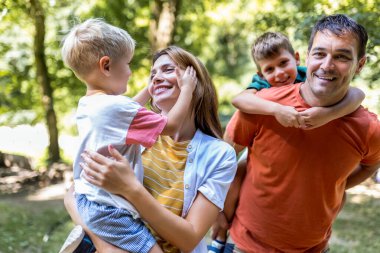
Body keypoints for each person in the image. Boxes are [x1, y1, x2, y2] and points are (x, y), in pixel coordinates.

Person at [218, 14, 380, 253]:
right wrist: (218, 212)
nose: (327, 65)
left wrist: (335, 186)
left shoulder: (368, 128)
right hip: (246, 244)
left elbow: (370, 165)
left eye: (342, 56)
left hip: (314, 248)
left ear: (360, 64)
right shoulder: (261, 105)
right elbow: (223, 159)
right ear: (307, 55)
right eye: (319, 53)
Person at [64, 46, 237, 253]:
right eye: (153, 73)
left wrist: (131, 189)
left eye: (168, 70)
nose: (156, 78)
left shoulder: (220, 155)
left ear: (195, 83)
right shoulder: (128, 134)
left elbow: (189, 238)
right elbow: (74, 193)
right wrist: (104, 244)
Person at [59, 19, 197, 253]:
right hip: (109, 207)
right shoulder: (116, 108)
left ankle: (87, 243)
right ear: (106, 66)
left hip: (88, 198)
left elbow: (126, 112)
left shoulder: (90, 104)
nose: (131, 71)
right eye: (128, 63)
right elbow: (172, 125)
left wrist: (148, 90)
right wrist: (187, 90)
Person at [232, 31, 365, 129]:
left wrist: (328, 114)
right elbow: (239, 100)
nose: (279, 73)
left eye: (283, 63)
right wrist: (276, 109)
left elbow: (358, 95)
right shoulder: (262, 83)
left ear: (296, 58)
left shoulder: (309, 74)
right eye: (269, 69)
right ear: (261, 74)